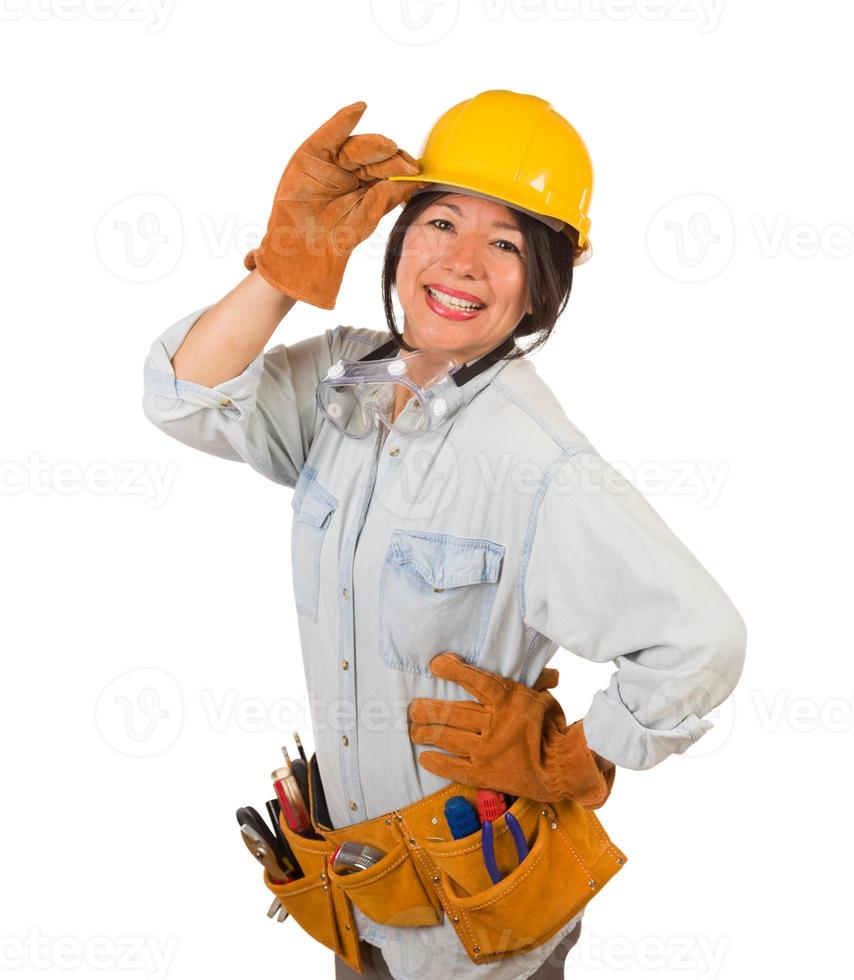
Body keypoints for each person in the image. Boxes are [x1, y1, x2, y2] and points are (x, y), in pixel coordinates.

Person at [141, 92, 747, 980]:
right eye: (439, 222)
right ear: (396, 237)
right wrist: (283, 266)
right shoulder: (349, 375)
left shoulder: (535, 461)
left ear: (540, 284)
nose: (461, 263)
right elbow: (184, 395)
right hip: (365, 903)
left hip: (478, 934)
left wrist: (581, 755)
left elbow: (703, 639)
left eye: (505, 244)